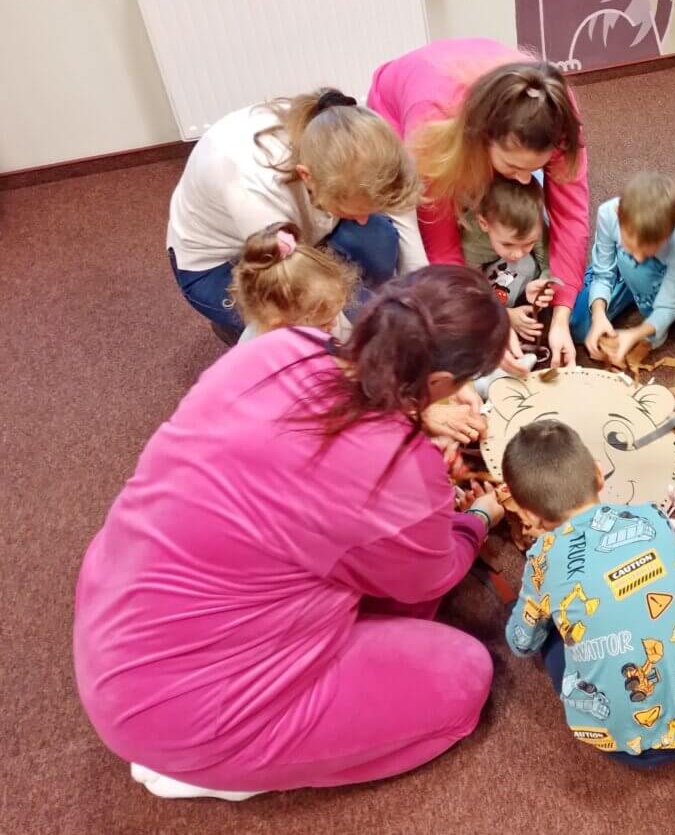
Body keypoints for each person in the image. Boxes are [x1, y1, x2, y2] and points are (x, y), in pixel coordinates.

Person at [74, 267, 509, 799]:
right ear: (439, 383)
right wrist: (477, 517)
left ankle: (202, 747)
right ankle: (213, 769)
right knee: (464, 674)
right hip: (189, 711)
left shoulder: (283, 346)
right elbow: (428, 576)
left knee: (363, 573)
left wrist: (419, 419)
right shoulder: (399, 471)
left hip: (117, 621)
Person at [501, 420, 675, 823]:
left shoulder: (542, 561)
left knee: (551, 636)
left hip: (617, 744)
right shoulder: (650, 517)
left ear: (525, 511)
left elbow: (520, 642)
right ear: (599, 473)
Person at [368, 38, 589, 369]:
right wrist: (488, 326)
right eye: (513, 167)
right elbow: (441, 244)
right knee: (414, 249)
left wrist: (561, 315)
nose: (524, 180)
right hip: (398, 112)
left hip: (470, 109)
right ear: (482, 138)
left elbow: (572, 215)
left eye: (536, 167)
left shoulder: (557, 112)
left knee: (519, 199)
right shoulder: (432, 121)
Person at [167, 88, 425, 344]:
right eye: (352, 212)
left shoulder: (366, 134)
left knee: (377, 239)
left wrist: (422, 301)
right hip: (225, 265)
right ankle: (239, 328)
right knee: (311, 335)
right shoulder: (255, 186)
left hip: (304, 229)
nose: (362, 220)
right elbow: (303, 299)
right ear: (306, 176)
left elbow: (400, 209)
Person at [568, 171, 675, 368]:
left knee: (651, 332)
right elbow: (603, 271)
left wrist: (636, 334)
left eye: (647, 251)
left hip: (659, 272)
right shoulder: (607, 213)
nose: (638, 257)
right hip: (620, 265)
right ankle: (629, 288)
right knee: (579, 327)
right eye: (631, 246)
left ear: (668, 235)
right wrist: (598, 314)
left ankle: (638, 290)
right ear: (619, 215)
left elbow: (668, 306)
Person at [460, 177, 556, 346]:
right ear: (484, 224)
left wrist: (544, 282)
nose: (517, 253)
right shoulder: (470, 242)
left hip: (510, 269)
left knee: (524, 265)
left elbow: (549, 264)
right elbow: (470, 287)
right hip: (485, 271)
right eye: (508, 244)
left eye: (528, 243)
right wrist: (505, 315)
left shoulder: (536, 226)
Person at [230, 221, 357, 344]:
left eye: (336, 314)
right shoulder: (260, 353)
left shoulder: (321, 310)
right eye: (324, 323)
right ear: (278, 326)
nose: (334, 324)